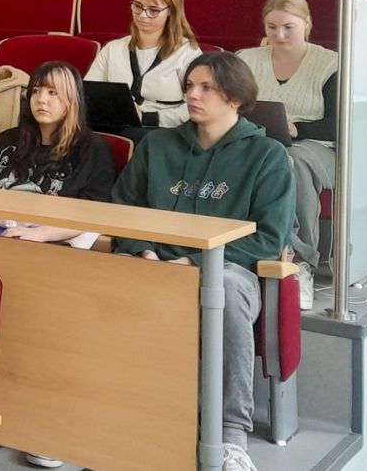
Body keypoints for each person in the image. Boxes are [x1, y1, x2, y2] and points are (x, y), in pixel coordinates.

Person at [112, 52, 292, 471]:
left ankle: (229, 436)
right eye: (189, 86)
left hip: (229, 274)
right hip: (154, 265)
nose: (192, 94)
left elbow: (269, 240)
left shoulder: (267, 155)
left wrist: (192, 265)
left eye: (206, 87)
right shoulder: (157, 145)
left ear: (235, 97)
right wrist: (144, 250)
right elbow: (121, 208)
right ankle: (90, 416)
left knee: (224, 286)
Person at [0, 61, 114, 247]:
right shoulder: (8, 138)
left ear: (72, 100)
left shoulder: (93, 149)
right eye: (36, 91)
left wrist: (41, 234)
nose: (41, 99)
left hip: (53, 240)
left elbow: (92, 213)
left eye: (52, 92)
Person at [238, 0, 338, 292]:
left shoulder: (329, 64)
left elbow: (338, 125)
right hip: (259, 142)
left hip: (316, 148)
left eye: (288, 27)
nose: (279, 35)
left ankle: (301, 261)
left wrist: (297, 130)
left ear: (307, 24)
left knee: (288, 161)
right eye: (271, 28)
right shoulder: (247, 59)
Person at [86, 0, 202, 134]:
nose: (142, 15)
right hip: (113, 126)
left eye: (153, 10)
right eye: (138, 6)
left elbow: (196, 105)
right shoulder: (113, 49)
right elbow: (88, 94)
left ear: (171, 12)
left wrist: (148, 118)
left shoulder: (188, 53)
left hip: (164, 131)